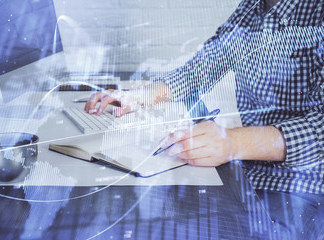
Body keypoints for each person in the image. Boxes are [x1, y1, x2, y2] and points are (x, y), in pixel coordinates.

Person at [85, 0, 324, 238]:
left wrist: (232, 142)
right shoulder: (253, 6)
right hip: (246, 173)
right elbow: (204, 66)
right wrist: (138, 96)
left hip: (301, 192)